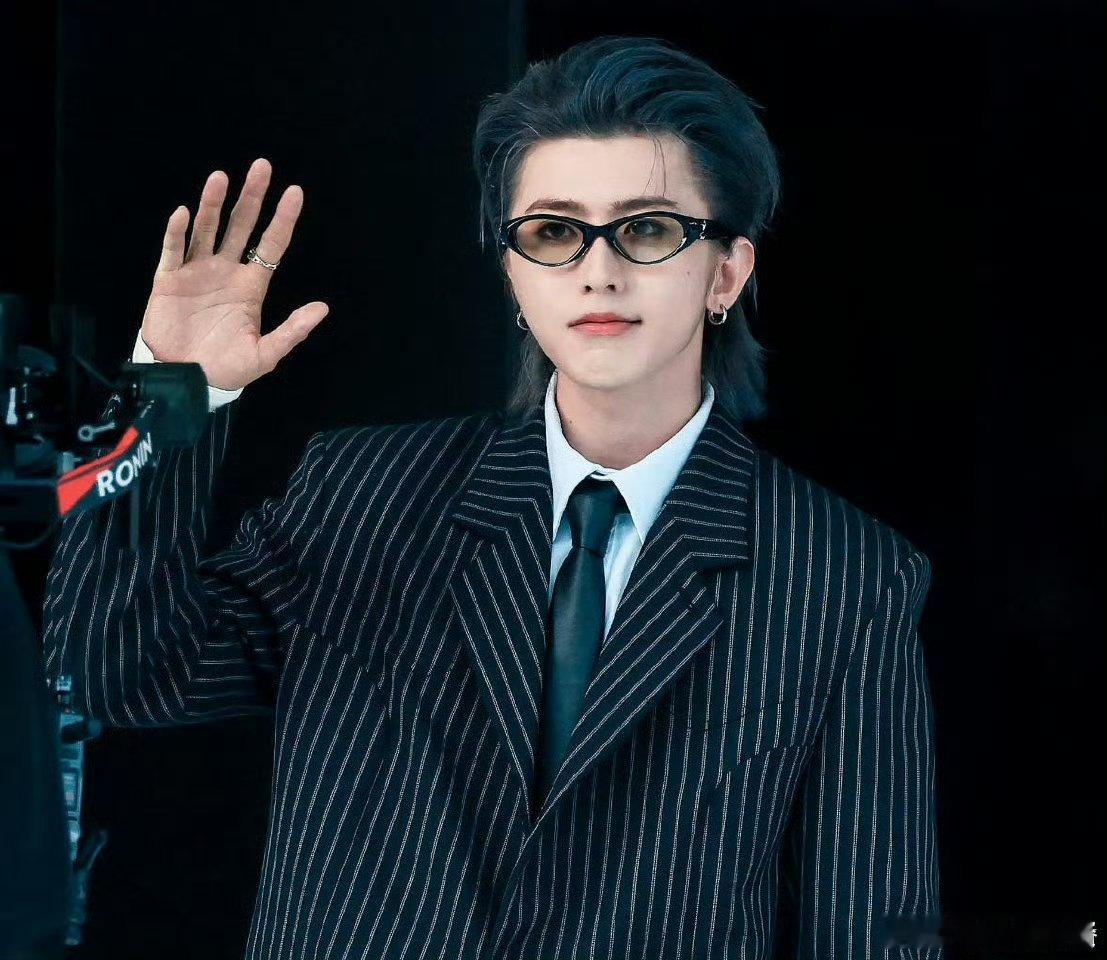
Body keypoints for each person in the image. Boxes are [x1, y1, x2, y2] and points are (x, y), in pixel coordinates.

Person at [42, 35, 942, 960]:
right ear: (511, 272)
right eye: (553, 232)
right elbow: (114, 670)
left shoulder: (846, 576)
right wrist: (171, 395)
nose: (598, 271)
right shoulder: (364, 494)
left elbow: (876, 925)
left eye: (647, 230)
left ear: (726, 273)